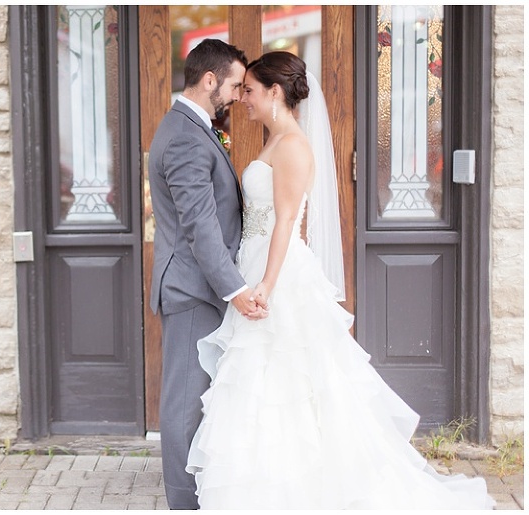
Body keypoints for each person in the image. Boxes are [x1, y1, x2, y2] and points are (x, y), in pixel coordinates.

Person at [185, 51, 496, 510]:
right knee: (261, 386)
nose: (242, 99)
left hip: (278, 275)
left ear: (274, 92)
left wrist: (266, 284)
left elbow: (286, 222)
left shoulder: (292, 146)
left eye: (249, 91)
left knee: (287, 381)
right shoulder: (274, 141)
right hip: (254, 264)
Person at [148, 38, 269, 510]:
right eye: (235, 86)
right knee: (184, 403)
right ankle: (184, 504)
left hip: (198, 287)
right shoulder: (184, 136)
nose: (239, 96)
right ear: (209, 80)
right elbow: (199, 228)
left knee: (197, 400)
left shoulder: (192, 128)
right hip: (192, 290)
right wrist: (236, 290)